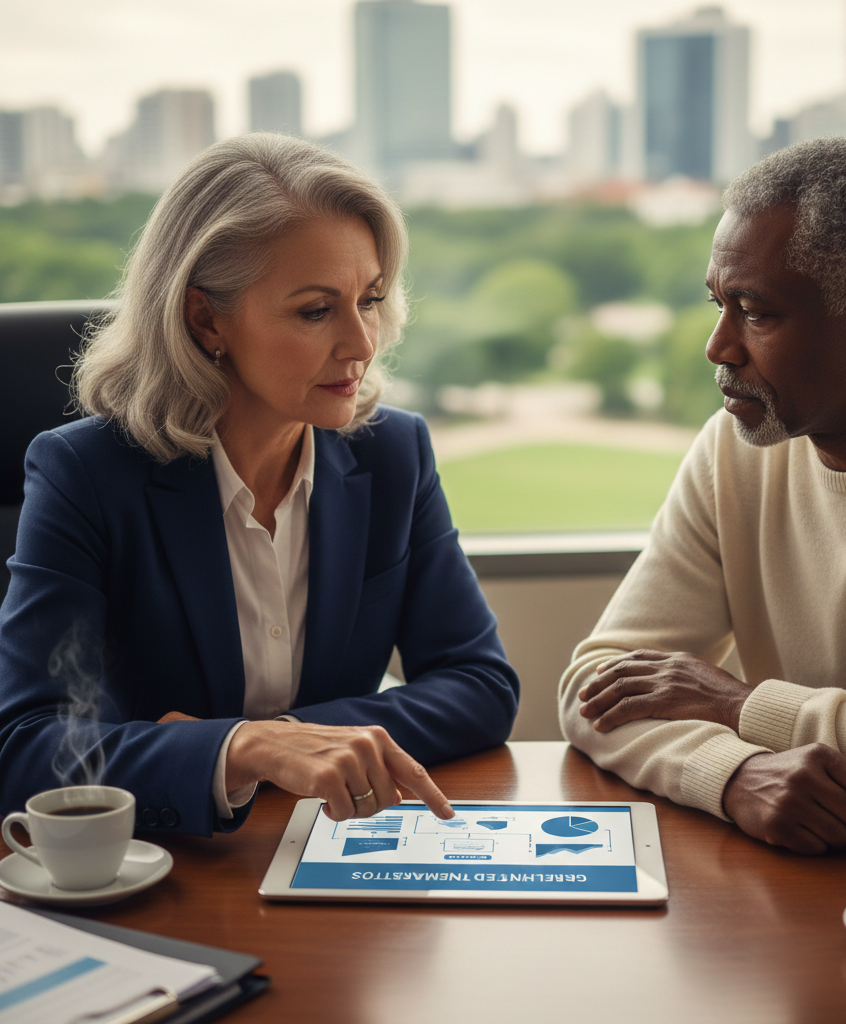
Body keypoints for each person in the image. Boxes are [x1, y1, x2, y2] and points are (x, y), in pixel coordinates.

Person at [0, 133, 519, 837]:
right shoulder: (85, 475)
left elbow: (480, 687)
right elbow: (29, 749)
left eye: (369, 300)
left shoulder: (395, 454)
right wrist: (243, 749)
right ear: (205, 318)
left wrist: (274, 743)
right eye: (315, 310)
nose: (363, 344)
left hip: (322, 850)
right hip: (163, 875)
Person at [560, 137, 846, 855]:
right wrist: (734, 772)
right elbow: (596, 688)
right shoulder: (732, 450)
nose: (717, 346)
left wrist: (742, 705)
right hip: (809, 886)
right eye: (718, 303)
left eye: (755, 311)